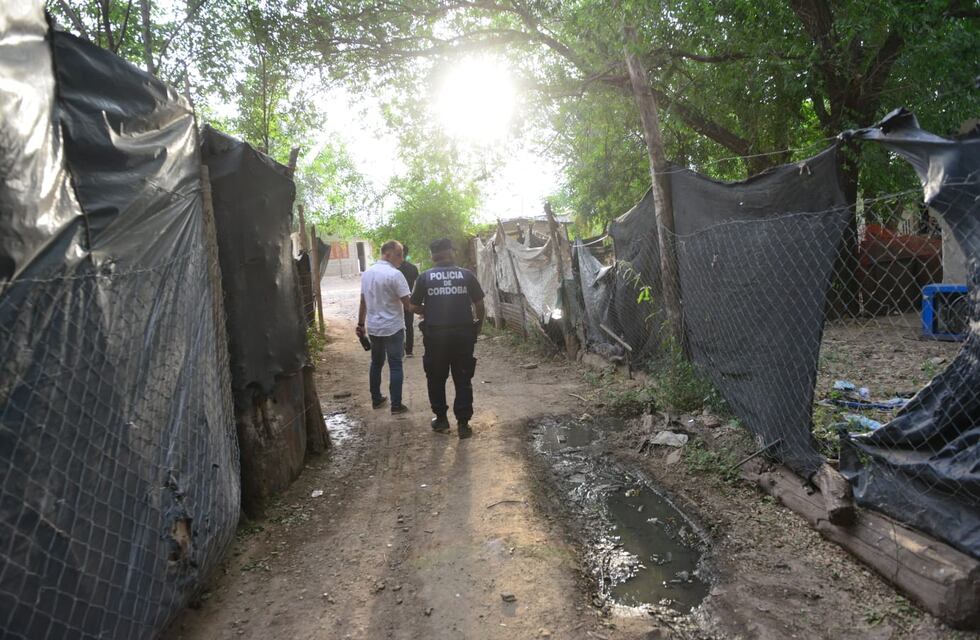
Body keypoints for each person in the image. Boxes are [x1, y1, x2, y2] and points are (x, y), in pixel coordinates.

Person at [411, 238, 486, 438]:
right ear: (450, 252)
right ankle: (463, 424)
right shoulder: (466, 275)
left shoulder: (425, 277)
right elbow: (479, 303)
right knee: (462, 377)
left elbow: (412, 306)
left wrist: (429, 310)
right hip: (463, 335)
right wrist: (478, 325)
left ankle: (441, 420)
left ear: (432, 256)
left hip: (436, 337)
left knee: (436, 378)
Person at [356, 240, 413, 414]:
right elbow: (408, 304)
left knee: (376, 363)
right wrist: (427, 310)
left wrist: (360, 324)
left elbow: (363, 301)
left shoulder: (367, 274)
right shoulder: (395, 275)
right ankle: (396, 405)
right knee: (395, 365)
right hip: (393, 327)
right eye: (398, 254)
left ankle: (376, 399)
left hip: (374, 328)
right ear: (387, 254)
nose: (401, 259)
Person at [397, 245, 420, 357]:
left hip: (395, 302)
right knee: (409, 325)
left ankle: (399, 349)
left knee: (397, 325)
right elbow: (418, 285)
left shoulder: (392, 269)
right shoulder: (413, 268)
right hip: (409, 300)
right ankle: (409, 351)